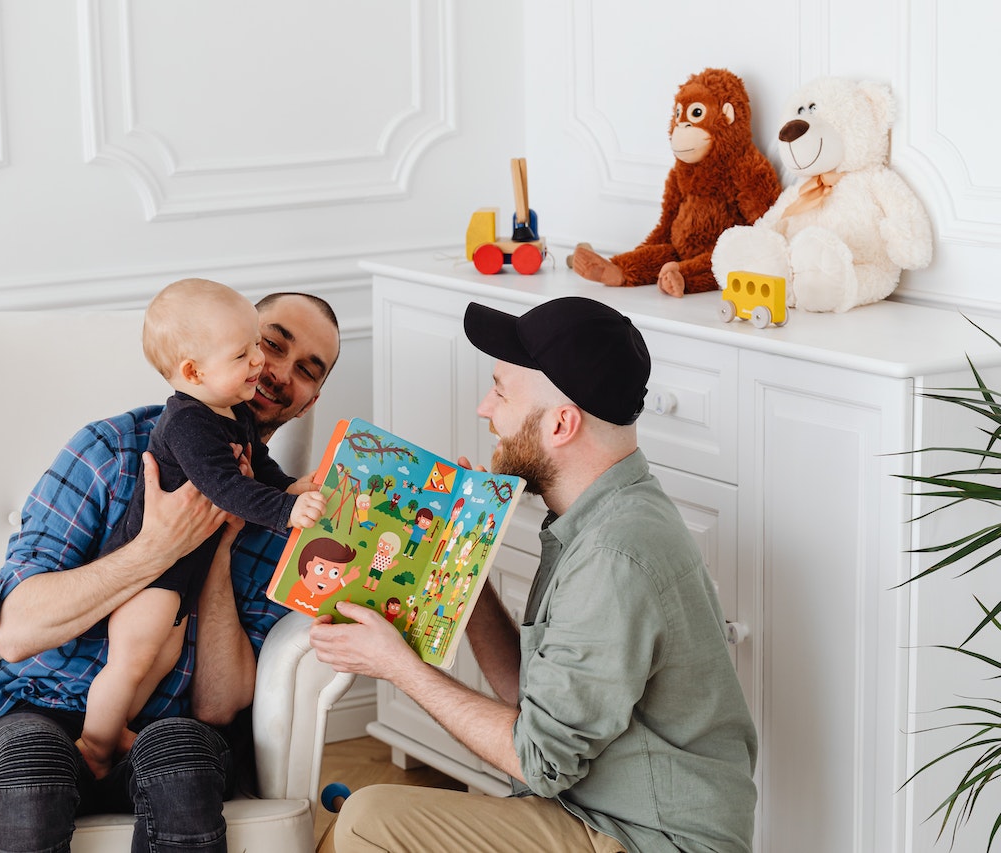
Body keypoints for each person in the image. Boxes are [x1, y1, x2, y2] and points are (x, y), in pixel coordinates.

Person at [310, 296, 757, 853]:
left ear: (561, 423)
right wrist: (460, 565)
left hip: (648, 839)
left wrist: (396, 666)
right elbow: (536, 701)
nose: (483, 408)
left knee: (366, 819)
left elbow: (540, 761)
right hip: (597, 812)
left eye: (500, 390)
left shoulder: (614, 555)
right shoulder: (596, 515)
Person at [0, 288, 341, 853]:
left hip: (169, 729)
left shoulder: (283, 521)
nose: (275, 371)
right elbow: (15, 632)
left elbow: (220, 704)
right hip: (41, 705)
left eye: (307, 370)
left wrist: (218, 544)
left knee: (183, 765)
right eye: (267, 345)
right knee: (32, 771)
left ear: (309, 401)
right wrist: (155, 548)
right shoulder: (113, 449)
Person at [74, 279, 327, 777]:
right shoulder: (190, 422)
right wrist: (282, 511)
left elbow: (260, 468)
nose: (261, 363)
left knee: (160, 656)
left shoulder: (232, 415)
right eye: (253, 349)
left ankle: (118, 725)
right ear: (195, 370)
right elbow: (223, 486)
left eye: (257, 345)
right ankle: (94, 744)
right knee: (132, 657)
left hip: (181, 581)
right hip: (151, 575)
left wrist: (292, 488)